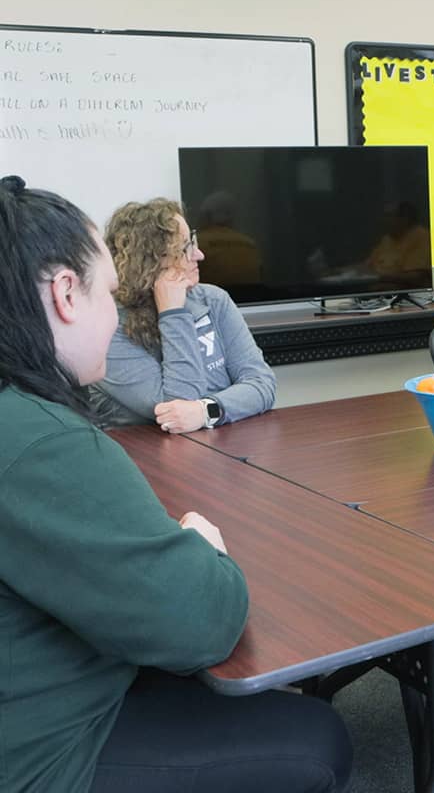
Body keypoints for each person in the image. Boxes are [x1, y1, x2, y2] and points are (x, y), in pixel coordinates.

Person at [0, 175, 351, 791]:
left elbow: (257, 383)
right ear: (65, 294)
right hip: (48, 756)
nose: (110, 310)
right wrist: (202, 548)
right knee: (317, 738)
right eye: (104, 291)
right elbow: (204, 622)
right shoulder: (48, 441)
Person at [91, 198, 276, 433]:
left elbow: (263, 384)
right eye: (185, 248)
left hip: (220, 445)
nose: (199, 255)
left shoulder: (213, 300)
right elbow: (177, 407)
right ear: (149, 262)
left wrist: (206, 411)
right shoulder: (109, 326)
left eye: (193, 242)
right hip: (147, 458)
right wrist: (172, 313)